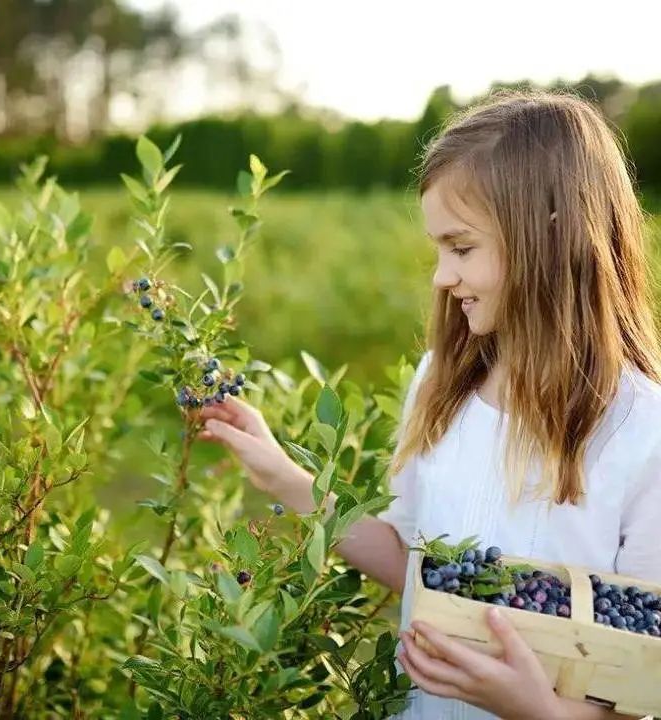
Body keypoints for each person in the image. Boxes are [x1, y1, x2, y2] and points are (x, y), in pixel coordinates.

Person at [198, 89, 661, 719]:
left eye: (462, 248)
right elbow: (411, 562)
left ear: (550, 236)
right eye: (439, 250)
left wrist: (533, 708)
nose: (442, 276)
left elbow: (638, 681)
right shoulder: (443, 383)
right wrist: (280, 473)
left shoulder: (643, 432)